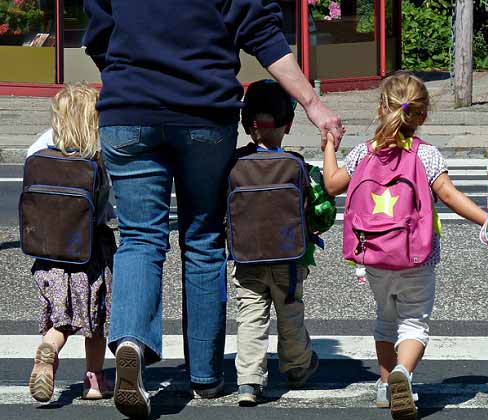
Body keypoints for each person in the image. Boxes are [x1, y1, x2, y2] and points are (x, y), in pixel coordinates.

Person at [82, 1, 344, 417]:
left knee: (139, 238)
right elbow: (261, 32)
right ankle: (204, 375)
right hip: (203, 112)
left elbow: (97, 31)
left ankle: (131, 341)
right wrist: (312, 103)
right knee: (202, 238)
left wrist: (126, 74)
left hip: (129, 108)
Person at [322, 72, 487, 420]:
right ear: (422, 115)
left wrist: (328, 147)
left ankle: (385, 387)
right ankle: (403, 373)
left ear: (381, 109)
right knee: (414, 323)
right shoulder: (426, 155)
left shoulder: (362, 153)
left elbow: (332, 185)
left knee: (386, 318)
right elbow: (449, 195)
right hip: (417, 258)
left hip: (374, 257)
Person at [231, 79, 336, 406]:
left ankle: (248, 380)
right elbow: (322, 211)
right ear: (287, 125)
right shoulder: (296, 166)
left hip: (246, 257)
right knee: (290, 313)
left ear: (246, 124)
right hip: (289, 260)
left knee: (250, 316)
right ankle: (297, 366)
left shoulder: (232, 165)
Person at [27, 83, 115, 402]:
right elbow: (107, 207)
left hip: (49, 251)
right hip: (89, 253)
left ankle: (49, 348)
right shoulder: (97, 159)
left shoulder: (41, 152)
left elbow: (29, 156)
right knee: (95, 320)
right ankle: (94, 382)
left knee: (60, 316)